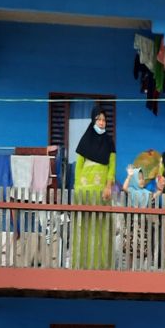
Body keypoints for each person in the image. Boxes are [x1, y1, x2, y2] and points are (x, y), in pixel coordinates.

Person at [74, 108, 117, 270]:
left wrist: (108, 186)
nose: (101, 122)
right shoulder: (85, 141)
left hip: (102, 193)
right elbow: (78, 167)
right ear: (93, 121)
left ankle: (102, 266)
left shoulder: (109, 142)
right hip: (84, 193)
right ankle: (82, 265)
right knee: (84, 229)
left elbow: (112, 167)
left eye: (104, 120)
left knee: (102, 228)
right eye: (98, 119)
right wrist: (77, 189)